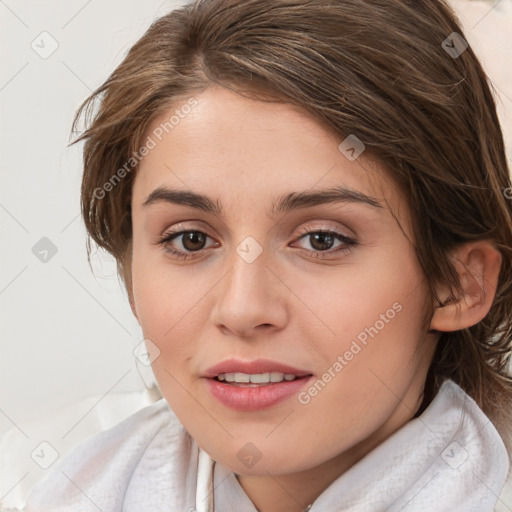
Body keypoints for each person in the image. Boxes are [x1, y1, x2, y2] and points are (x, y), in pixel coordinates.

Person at [19, 0, 512, 510]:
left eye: (322, 239)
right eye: (190, 239)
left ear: (460, 283)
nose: (242, 309)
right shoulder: (38, 486)